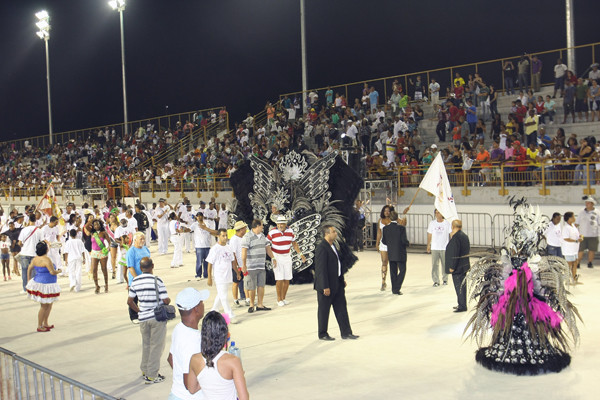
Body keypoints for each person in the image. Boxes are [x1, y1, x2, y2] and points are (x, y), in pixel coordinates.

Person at [127, 257, 171, 384]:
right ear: (152, 266)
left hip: (143, 319)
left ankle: (145, 369)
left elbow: (130, 301)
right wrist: (166, 301)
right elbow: (165, 300)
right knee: (157, 346)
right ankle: (152, 375)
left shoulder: (135, 281)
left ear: (140, 268)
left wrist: (139, 311)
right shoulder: (157, 281)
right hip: (156, 318)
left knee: (146, 344)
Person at [187, 311, 249, 400]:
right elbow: (244, 398)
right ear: (224, 334)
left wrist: (209, 381)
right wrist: (238, 376)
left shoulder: (194, 359)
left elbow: (192, 389)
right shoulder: (233, 361)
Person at [314, 225, 358, 341]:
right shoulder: (321, 248)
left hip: (337, 284)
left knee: (342, 308)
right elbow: (320, 269)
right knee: (324, 310)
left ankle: (346, 332)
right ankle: (322, 333)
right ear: (327, 234)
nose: (336, 233)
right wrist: (324, 286)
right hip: (326, 286)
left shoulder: (333, 246)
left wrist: (341, 278)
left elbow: (338, 265)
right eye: (333, 232)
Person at [167, 287, 210, 400]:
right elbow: (191, 387)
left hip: (176, 393)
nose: (203, 304)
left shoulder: (179, 328)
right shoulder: (194, 340)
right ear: (196, 309)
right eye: (201, 302)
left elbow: (171, 358)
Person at [266, 216, 306, 307]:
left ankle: (283, 298)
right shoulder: (272, 232)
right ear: (276, 224)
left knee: (287, 279)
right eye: (279, 223)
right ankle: (279, 299)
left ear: (285, 224)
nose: (280, 225)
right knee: (279, 279)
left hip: (287, 256)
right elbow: (267, 245)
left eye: (282, 223)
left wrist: (300, 254)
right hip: (277, 256)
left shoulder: (290, 231)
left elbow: (294, 243)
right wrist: (273, 257)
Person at [25, 241, 61, 332]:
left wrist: (29, 279)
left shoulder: (35, 259)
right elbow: (52, 272)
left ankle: (45, 323)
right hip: (46, 285)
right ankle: (40, 325)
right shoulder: (46, 259)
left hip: (41, 282)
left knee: (48, 304)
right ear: (46, 249)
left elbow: (29, 268)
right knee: (44, 306)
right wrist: (59, 271)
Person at [241, 219, 274, 313]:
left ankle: (260, 304)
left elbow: (267, 248)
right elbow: (244, 252)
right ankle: (252, 305)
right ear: (257, 226)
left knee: (261, 286)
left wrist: (273, 258)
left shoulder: (263, 236)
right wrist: (244, 265)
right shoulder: (247, 237)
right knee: (251, 287)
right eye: (262, 225)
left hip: (261, 266)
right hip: (251, 266)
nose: (263, 227)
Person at [206, 229, 238, 323]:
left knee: (221, 294)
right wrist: (209, 277)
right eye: (223, 236)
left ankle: (213, 312)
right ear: (218, 236)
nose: (225, 238)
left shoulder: (229, 247)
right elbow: (210, 264)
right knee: (224, 297)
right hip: (219, 275)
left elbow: (233, 262)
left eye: (226, 235)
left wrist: (237, 272)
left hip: (228, 275)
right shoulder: (214, 249)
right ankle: (230, 315)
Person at [381, 211, 409, 295]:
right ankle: (397, 287)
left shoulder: (385, 228)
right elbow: (404, 241)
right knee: (402, 270)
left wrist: (391, 244)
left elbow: (384, 241)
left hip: (391, 253)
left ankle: (394, 289)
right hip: (400, 253)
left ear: (389, 218)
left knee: (393, 271)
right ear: (397, 218)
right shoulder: (401, 228)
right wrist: (408, 243)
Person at [445, 220, 470, 312]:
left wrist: (452, 266)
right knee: (462, 286)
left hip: (458, 267)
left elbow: (455, 253)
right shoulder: (464, 236)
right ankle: (462, 303)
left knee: (459, 286)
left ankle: (462, 306)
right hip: (464, 266)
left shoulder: (456, 238)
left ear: (453, 226)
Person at [18, 214, 45, 293]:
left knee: (25, 271)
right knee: (34, 272)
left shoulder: (24, 230)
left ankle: (25, 288)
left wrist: (24, 245)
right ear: (35, 220)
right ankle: (33, 288)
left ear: (28, 220)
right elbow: (42, 242)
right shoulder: (39, 230)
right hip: (35, 254)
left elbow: (19, 243)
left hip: (25, 253)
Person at [427, 209, 452, 287]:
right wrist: (428, 245)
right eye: (436, 213)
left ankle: (445, 279)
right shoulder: (432, 223)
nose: (437, 214)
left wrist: (451, 246)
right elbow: (429, 234)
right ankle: (436, 280)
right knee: (435, 264)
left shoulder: (447, 223)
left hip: (444, 247)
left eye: (439, 213)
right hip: (435, 247)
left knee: (445, 264)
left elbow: (451, 234)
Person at [189, 212, 218, 279]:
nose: (199, 217)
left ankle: (206, 274)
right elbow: (189, 229)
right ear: (196, 217)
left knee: (207, 261)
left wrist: (206, 229)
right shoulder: (195, 224)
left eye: (200, 216)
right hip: (199, 246)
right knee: (199, 261)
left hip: (207, 245)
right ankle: (198, 275)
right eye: (198, 216)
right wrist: (183, 230)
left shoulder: (207, 224)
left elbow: (212, 232)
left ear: (202, 216)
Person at [576, 196, 599, 269]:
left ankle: (590, 262)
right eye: (586, 203)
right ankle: (578, 263)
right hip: (582, 234)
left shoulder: (597, 212)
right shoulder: (581, 212)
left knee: (592, 250)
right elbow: (577, 223)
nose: (587, 204)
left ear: (592, 204)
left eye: (588, 203)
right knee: (580, 250)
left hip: (593, 234)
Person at [229, 221, 248, 307]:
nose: (245, 229)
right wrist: (236, 266)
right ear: (240, 230)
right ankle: (235, 300)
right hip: (237, 265)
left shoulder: (244, 238)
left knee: (247, 281)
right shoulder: (233, 239)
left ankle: (247, 299)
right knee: (236, 282)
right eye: (244, 228)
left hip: (244, 264)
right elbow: (233, 253)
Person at [90, 219, 110, 294]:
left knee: (104, 269)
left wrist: (107, 249)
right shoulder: (92, 233)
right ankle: (97, 286)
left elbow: (109, 242)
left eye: (98, 224)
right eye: (95, 225)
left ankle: (106, 284)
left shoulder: (103, 233)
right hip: (94, 253)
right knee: (94, 269)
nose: (96, 226)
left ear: (100, 225)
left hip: (102, 253)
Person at [376, 205, 393, 291]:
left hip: (392, 244)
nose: (387, 212)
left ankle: (394, 282)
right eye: (385, 210)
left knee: (393, 263)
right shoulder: (380, 220)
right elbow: (379, 233)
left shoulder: (394, 220)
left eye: (388, 211)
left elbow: (403, 224)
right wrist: (377, 243)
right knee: (384, 262)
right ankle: (383, 282)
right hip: (383, 244)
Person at [562, 211, 582, 283]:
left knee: (575, 263)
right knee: (569, 265)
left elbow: (576, 235)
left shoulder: (573, 226)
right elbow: (566, 238)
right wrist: (576, 241)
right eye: (573, 216)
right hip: (569, 249)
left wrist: (579, 237)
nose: (574, 218)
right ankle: (567, 280)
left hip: (574, 249)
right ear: (569, 218)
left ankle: (574, 279)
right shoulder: (566, 227)